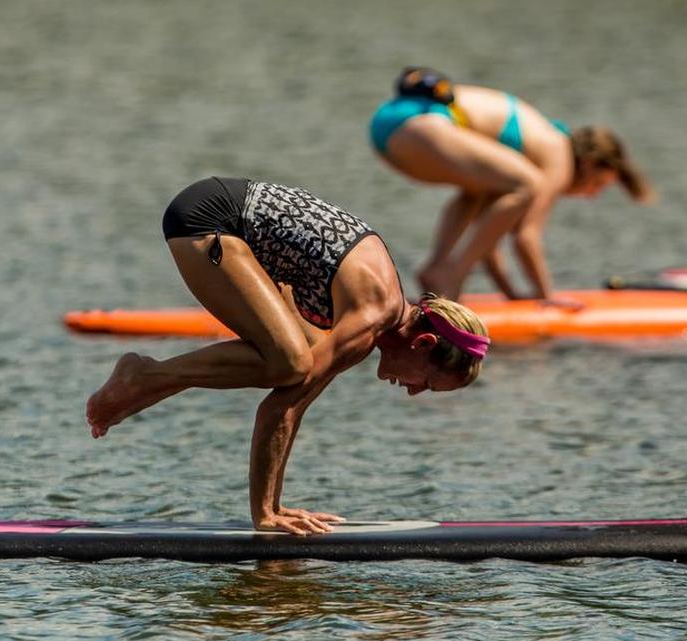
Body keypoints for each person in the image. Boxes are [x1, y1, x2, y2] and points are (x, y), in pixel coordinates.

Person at [85, 177, 490, 536]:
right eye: (428, 383)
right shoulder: (371, 316)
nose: (413, 392)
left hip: (243, 234)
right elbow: (280, 410)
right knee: (291, 364)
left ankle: (147, 378)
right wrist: (264, 515)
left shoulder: (376, 314)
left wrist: (277, 506)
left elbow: (295, 403)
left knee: (293, 364)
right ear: (423, 345)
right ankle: (143, 376)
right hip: (211, 221)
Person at [370, 66, 656, 304]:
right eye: (598, 185)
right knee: (527, 183)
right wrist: (547, 297)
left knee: (478, 194)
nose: (592, 196)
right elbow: (526, 237)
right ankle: (450, 273)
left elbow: (489, 241)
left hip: (389, 128)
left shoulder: (526, 154)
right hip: (421, 124)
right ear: (591, 164)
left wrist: (513, 297)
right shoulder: (559, 153)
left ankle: (438, 267)